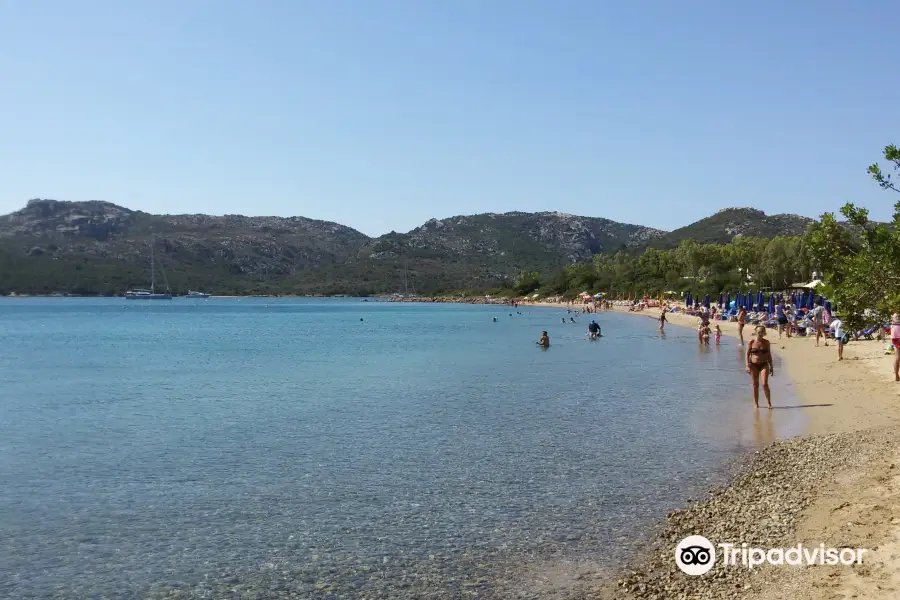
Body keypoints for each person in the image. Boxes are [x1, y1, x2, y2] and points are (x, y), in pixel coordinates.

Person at [746, 325, 774, 409]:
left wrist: (771, 366)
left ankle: (769, 403)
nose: (760, 334)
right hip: (753, 365)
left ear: (764, 332)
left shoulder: (766, 342)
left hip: (764, 364)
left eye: (762, 332)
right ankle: (756, 403)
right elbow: (747, 354)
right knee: (755, 385)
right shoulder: (751, 342)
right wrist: (747, 365)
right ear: (755, 332)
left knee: (764, 384)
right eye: (759, 332)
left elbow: (769, 355)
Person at [892, 314, 900, 382]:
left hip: (895, 335)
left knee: (897, 357)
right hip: (898, 333)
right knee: (897, 358)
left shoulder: (894, 317)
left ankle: (896, 376)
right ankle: (897, 376)